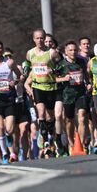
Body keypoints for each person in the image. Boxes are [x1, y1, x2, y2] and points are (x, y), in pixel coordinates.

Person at [24, 29, 62, 157]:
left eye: (42, 38)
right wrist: (26, 73)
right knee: (40, 112)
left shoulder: (51, 52)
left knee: (50, 116)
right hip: (37, 86)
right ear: (34, 39)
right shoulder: (30, 53)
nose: (40, 40)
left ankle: (50, 136)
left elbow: (61, 66)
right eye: (37, 38)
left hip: (51, 87)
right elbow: (28, 65)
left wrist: (54, 70)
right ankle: (44, 138)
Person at [56, 40, 91, 155]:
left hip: (80, 93)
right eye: (70, 50)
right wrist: (63, 79)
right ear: (66, 51)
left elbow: (86, 74)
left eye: (75, 50)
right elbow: (53, 79)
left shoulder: (81, 61)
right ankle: (71, 143)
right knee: (69, 120)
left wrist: (89, 82)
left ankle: (80, 144)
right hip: (67, 95)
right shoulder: (61, 64)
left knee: (81, 117)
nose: (73, 52)